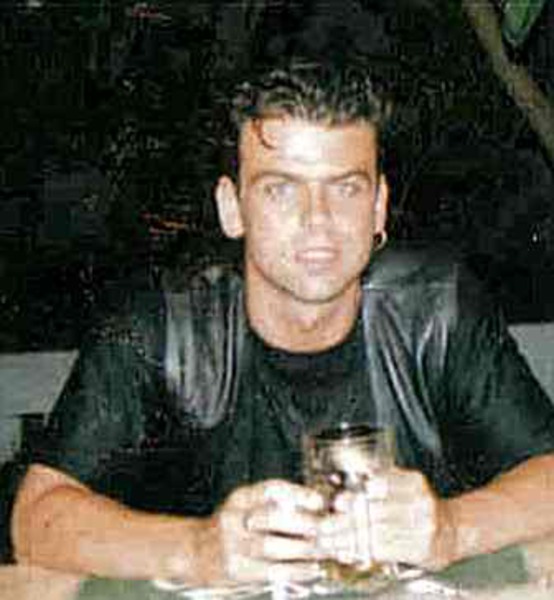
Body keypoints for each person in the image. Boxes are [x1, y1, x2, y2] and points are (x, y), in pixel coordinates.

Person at [10, 57, 554, 585]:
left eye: (345, 187)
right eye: (281, 188)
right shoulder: (161, 326)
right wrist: (198, 548)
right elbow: (37, 517)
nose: (318, 219)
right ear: (232, 208)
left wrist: (452, 529)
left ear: (379, 206)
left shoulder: (437, 310)